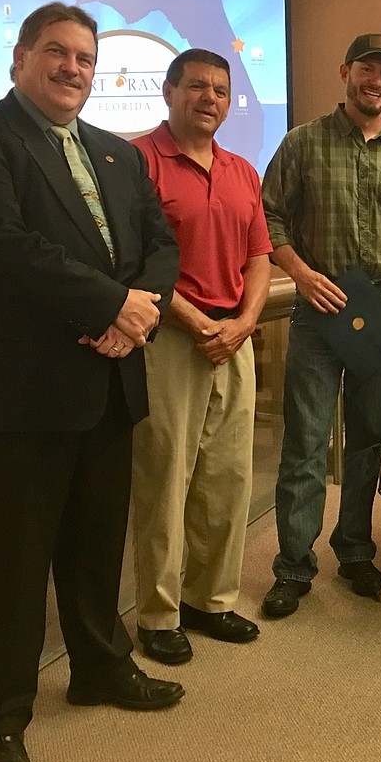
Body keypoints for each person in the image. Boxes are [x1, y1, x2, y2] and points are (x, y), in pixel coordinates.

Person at [0, 2, 183, 762]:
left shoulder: (116, 153)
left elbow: (160, 242)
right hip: (18, 391)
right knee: (7, 564)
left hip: (108, 380)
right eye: (56, 53)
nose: (72, 68)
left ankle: (100, 668)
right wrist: (113, 305)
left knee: (94, 545)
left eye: (84, 56)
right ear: (19, 59)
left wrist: (135, 310)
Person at [259, 33, 381, 616]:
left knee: (369, 442)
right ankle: (292, 566)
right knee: (307, 443)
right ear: (346, 71)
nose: (376, 80)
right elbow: (269, 216)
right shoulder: (302, 143)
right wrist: (300, 273)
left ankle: (356, 550)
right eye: (366, 67)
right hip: (318, 307)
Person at [129, 49, 272, 664]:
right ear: (169, 91)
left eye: (219, 89)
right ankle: (158, 616)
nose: (208, 98)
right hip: (169, 341)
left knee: (227, 479)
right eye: (195, 87)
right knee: (166, 481)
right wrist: (200, 323)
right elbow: (133, 263)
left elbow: (259, 256)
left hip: (232, 343)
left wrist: (243, 322)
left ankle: (210, 600)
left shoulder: (242, 170)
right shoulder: (137, 161)